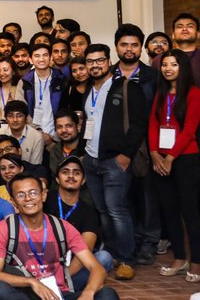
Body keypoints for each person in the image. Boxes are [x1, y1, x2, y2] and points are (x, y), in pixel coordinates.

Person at [0, 173, 120, 300]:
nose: (28, 199)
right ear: (13, 203)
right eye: (21, 195)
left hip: (58, 297)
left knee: (109, 297)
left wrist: (88, 293)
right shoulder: (4, 229)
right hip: (25, 297)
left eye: (33, 192)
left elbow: (97, 268)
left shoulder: (62, 228)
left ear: (43, 195)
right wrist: (32, 282)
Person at [80, 43, 147, 280]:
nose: (95, 65)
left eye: (99, 60)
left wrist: (126, 154)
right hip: (91, 159)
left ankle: (127, 258)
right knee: (103, 211)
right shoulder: (89, 90)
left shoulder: (126, 87)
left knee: (118, 210)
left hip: (115, 161)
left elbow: (139, 124)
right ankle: (114, 252)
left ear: (109, 62)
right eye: (90, 61)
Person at [149, 49, 200, 281]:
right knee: (169, 211)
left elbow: (190, 130)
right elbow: (152, 125)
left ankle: (197, 261)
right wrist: (154, 155)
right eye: (165, 64)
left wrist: (170, 157)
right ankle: (180, 258)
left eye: (174, 64)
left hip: (186, 158)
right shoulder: (160, 93)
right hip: (161, 159)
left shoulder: (194, 93)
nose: (168, 68)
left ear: (183, 68)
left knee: (190, 212)